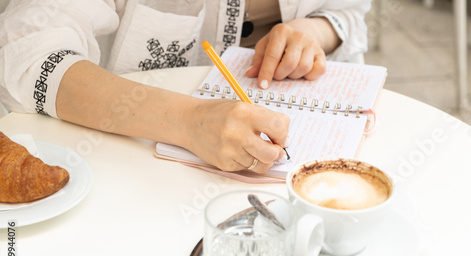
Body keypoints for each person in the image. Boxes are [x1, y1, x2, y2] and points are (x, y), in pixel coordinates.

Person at [0, 0, 370, 173]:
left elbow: (350, 13)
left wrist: (314, 30)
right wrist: (187, 122)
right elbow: (25, 51)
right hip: (127, 161)